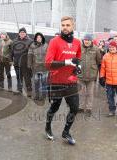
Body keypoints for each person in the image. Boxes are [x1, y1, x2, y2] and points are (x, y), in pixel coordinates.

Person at [45, 16, 81, 145]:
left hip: (71, 82)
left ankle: (66, 132)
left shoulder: (77, 42)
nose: (65, 27)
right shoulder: (54, 41)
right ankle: (48, 127)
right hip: (56, 82)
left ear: (73, 26)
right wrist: (66, 62)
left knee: (75, 108)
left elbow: (78, 59)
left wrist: (78, 67)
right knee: (54, 107)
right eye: (63, 25)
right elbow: (48, 64)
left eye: (68, 25)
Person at [99, 41, 117, 120]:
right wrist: (101, 77)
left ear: (116, 47)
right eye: (110, 47)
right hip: (109, 81)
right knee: (110, 97)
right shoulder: (106, 56)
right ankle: (112, 110)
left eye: (113, 47)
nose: (111, 49)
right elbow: (102, 68)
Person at [78, 34, 101, 115]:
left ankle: (88, 108)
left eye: (88, 40)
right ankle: (80, 107)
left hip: (91, 75)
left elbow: (99, 61)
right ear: (83, 40)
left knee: (90, 93)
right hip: (80, 75)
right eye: (85, 40)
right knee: (81, 92)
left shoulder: (96, 49)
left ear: (91, 41)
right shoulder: (79, 48)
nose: (87, 41)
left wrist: (93, 68)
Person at [11, 27, 33, 97]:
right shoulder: (14, 41)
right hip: (17, 63)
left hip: (26, 63)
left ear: (26, 33)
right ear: (19, 33)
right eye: (21, 32)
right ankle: (19, 89)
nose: (22, 33)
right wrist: (11, 60)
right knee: (18, 77)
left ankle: (29, 90)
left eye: (23, 32)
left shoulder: (30, 41)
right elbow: (11, 52)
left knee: (27, 78)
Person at [28, 32, 48, 101]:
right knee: (36, 83)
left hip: (44, 68)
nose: (39, 38)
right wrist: (29, 64)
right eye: (37, 37)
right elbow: (30, 55)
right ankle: (36, 95)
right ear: (36, 38)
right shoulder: (32, 45)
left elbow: (49, 56)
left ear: (42, 38)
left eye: (40, 37)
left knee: (44, 82)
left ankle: (43, 95)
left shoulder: (46, 45)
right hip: (35, 67)